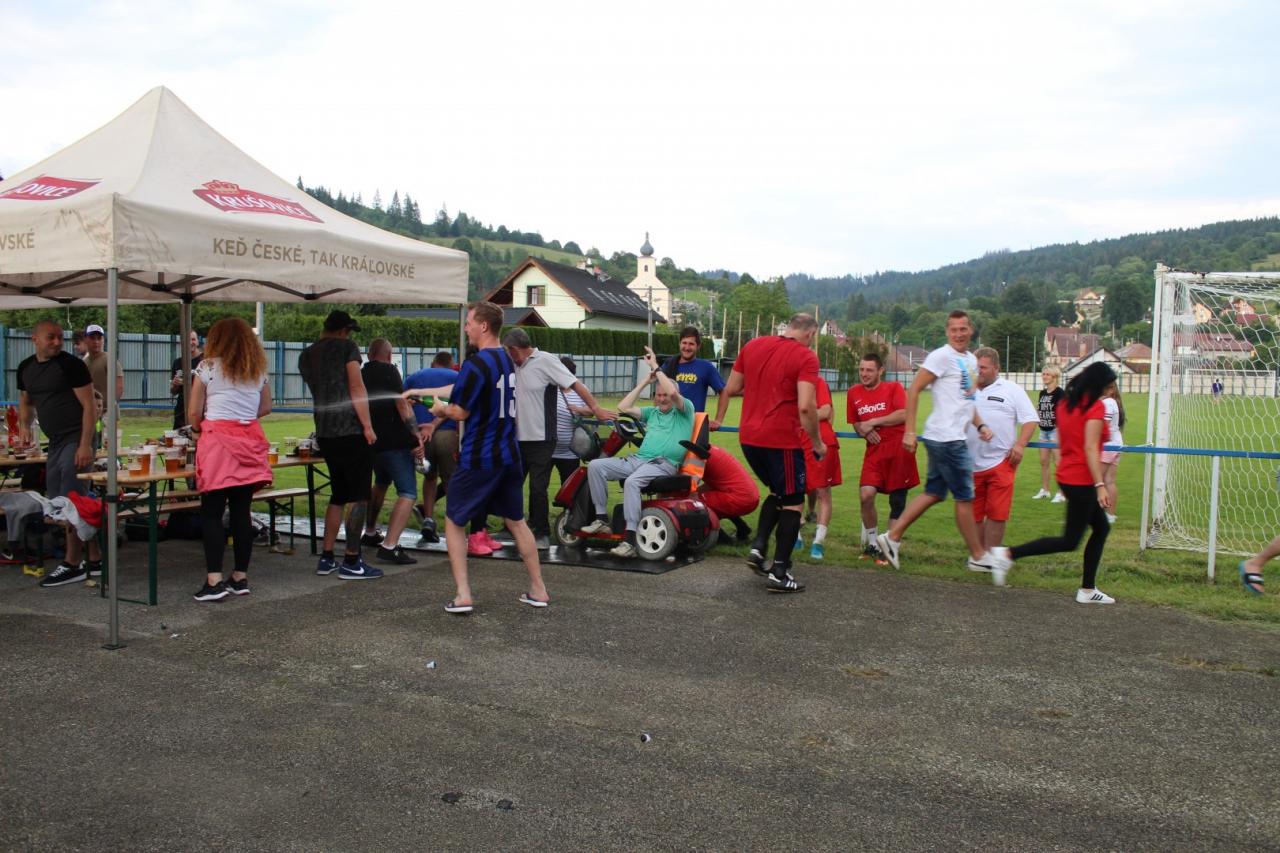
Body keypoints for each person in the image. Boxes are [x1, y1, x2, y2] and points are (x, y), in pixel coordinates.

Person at [429, 300, 548, 613]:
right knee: (517, 522)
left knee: (454, 520)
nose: (466, 328)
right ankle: (538, 589)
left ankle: (463, 595)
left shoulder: (476, 364)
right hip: (509, 453)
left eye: (469, 322)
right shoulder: (509, 359)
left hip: (480, 456)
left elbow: (459, 411)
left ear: (483, 326)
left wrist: (440, 409)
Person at [875, 310, 1001, 574]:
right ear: (947, 332)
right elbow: (914, 389)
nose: (958, 334)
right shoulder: (941, 356)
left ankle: (892, 537)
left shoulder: (970, 360)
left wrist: (980, 424)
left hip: (948, 437)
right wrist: (910, 431)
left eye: (963, 329)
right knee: (965, 497)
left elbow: (966, 400)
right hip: (947, 439)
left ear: (971, 330)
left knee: (934, 493)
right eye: (954, 329)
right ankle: (978, 555)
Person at [714, 313, 824, 593]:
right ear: (810, 334)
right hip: (781, 439)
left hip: (749, 437)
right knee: (794, 502)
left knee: (778, 493)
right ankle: (780, 572)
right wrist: (817, 442)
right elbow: (806, 407)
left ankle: (758, 549)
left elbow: (732, 388)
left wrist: (762, 385)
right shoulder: (806, 357)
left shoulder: (752, 345)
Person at [989, 363, 1117, 603]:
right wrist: (1100, 485)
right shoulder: (1095, 407)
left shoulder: (1066, 404)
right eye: (1108, 387)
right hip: (1081, 480)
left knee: (1101, 528)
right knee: (1070, 541)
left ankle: (1088, 589)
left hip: (1068, 476)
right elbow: (1090, 447)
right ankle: (1007, 554)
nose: (1110, 392)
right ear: (1098, 384)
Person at [501, 328, 613, 550]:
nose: (508, 356)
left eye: (508, 351)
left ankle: (541, 532)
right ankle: (511, 527)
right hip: (517, 438)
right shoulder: (515, 365)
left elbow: (575, 384)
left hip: (542, 438)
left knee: (538, 487)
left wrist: (595, 408)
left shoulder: (546, 361)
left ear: (514, 349)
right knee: (511, 484)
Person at [187, 317, 272, 602]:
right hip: (249, 441)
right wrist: (242, 418)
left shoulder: (207, 367)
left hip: (217, 443)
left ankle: (214, 580)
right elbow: (266, 407)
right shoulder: (257, 370)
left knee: (212, 512)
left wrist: (199, 429)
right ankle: (240, 576)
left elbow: (194, 412)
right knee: (241, 512)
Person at [581, 346, 694, 558]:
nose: (662, 398)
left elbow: (672, 392)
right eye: (658, 395)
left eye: (665, 395)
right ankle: (601, 519)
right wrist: (645, 382)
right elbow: (623, 407)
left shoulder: (684, 410)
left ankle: (630, 541)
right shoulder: (653, 413)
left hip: (663, 463)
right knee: (596, 466)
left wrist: (655, 367)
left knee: (632, 482)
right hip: (639, 460)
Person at [16, 321, 103, 588]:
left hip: (76, 437)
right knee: (57, 501)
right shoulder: (26, 368)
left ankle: (73, 563)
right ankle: (95, 558)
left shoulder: (71, 365)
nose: (57, 342)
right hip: (55, 442)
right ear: (35, 339)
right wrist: (24, 426)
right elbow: (26, 401)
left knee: (70, 500)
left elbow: (90, 406)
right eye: (50, 337)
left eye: (60, 338)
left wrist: (85, 444)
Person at [297, 310, 382, 580]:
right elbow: (356, 388)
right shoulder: (348, 348)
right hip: (351, 429)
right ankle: (352, 560)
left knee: (338, 494)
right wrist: (367, 426)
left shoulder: (306, 355)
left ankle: (327, 556)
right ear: (344, 330)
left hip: (324, 430)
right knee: (358, 495)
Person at [847, 352, 919, 562]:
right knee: (866, 495)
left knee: (897, 501)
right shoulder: (853, 392)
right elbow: (856, 422)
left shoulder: (894, 387)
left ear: (880, 371)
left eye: (869, 370)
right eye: (861, 369)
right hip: (874, 452)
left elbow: (903, 414)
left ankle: (889, 548)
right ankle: (872, 544)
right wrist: (864, 430)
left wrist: (873, 421)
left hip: (898, 450)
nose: (864, 374)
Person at [966, 347, 1038, 553]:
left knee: (997, 513)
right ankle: (979, 556)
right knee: (973, 514)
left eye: (983, 367)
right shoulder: (966, 389)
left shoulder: (1011, 389)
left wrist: (1020, 444)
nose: (979, 371)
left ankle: (992, 555)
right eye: (976, 367)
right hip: (969, 464)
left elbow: (1030, 419)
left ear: (997, 368)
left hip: (1001, 461)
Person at [360, 338, 424, 565]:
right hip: (394, 442)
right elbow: (400, 403)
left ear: (369, 355)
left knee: (381, 482)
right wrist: (416, 434)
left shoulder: (361, 374)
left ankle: (369, 531)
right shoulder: (389, 370)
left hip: (371, 442)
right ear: (389, 356)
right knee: (407, 492)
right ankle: (390, 545)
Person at [404, 350, 459, 544]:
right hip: (447, 435)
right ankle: (453, 525)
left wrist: (414, 431)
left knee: (430, 477)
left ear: (433, 363)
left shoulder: (415, 377)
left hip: (421, 435)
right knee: (450, 481)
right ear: (451, 364)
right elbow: (455, 406)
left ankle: (428, 519)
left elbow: (403, 404)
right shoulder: (457, 378)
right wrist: (435, 424)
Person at [804, 376, 841, 560]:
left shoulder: (816, 381)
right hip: (794, 441)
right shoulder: (786, 380)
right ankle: (795, 536)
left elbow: (826, 411)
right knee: (793, 491)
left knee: (823, 492)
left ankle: (818, 542)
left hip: (821, 440)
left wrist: (801, 417)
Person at [661, 326, 726, 416]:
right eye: (684, 343)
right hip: (670, 422)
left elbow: (724, 391)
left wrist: (718, 420)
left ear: (698, 346)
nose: (687, 347)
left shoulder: (706, 367)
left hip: (694, 422)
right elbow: (659, 394)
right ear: (679, 344)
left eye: (691, 344)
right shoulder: (668, 365)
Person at [82, 323, 123, 446]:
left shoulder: (109, 359)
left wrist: (110, 408)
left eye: (99, 338)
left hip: (107, 413)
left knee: (109, 447)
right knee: (91, 445)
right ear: (86, 340)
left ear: (103, 340)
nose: (96, 342)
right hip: (91, 412)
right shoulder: (84, 362)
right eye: (92, 338)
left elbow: (119, 386)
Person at [552, 356, 590, 485]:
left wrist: (579, 409)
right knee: (539, 487)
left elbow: (592, 411)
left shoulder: (581, 389)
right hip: (546, 451)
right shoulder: (549, 388)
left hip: (570, 453)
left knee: (570, 488)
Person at [1033, 366, 1066, 503]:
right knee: (1044, 462)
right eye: (1043, 374)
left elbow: (1064, 412)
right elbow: (1040, 409)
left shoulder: (1060, 393)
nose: (1044, 376)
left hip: (1055, 431)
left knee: (1058, 463)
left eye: (1047, 374)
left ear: (1054, 377)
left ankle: (1061, 493)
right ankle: (1045, 490)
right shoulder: (1042, 393)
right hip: (1043, 430)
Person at [1100, 382, 1125, 524]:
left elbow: (1104, 425)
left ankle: (1098, 514)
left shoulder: (1108, 402)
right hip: (1115, 443)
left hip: (1107, 445)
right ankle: (1110, 515)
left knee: (1097, 480)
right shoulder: (1113, 402)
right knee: (1109, 480)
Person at [170, 330, 204, 430]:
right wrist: (175, 384)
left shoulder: (205, 360)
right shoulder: (177, 362)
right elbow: (173, 391)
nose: (190, 342)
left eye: (193, 339)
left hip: (201, 409)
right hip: (181, 410)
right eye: (187, 340)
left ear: (197, 342)